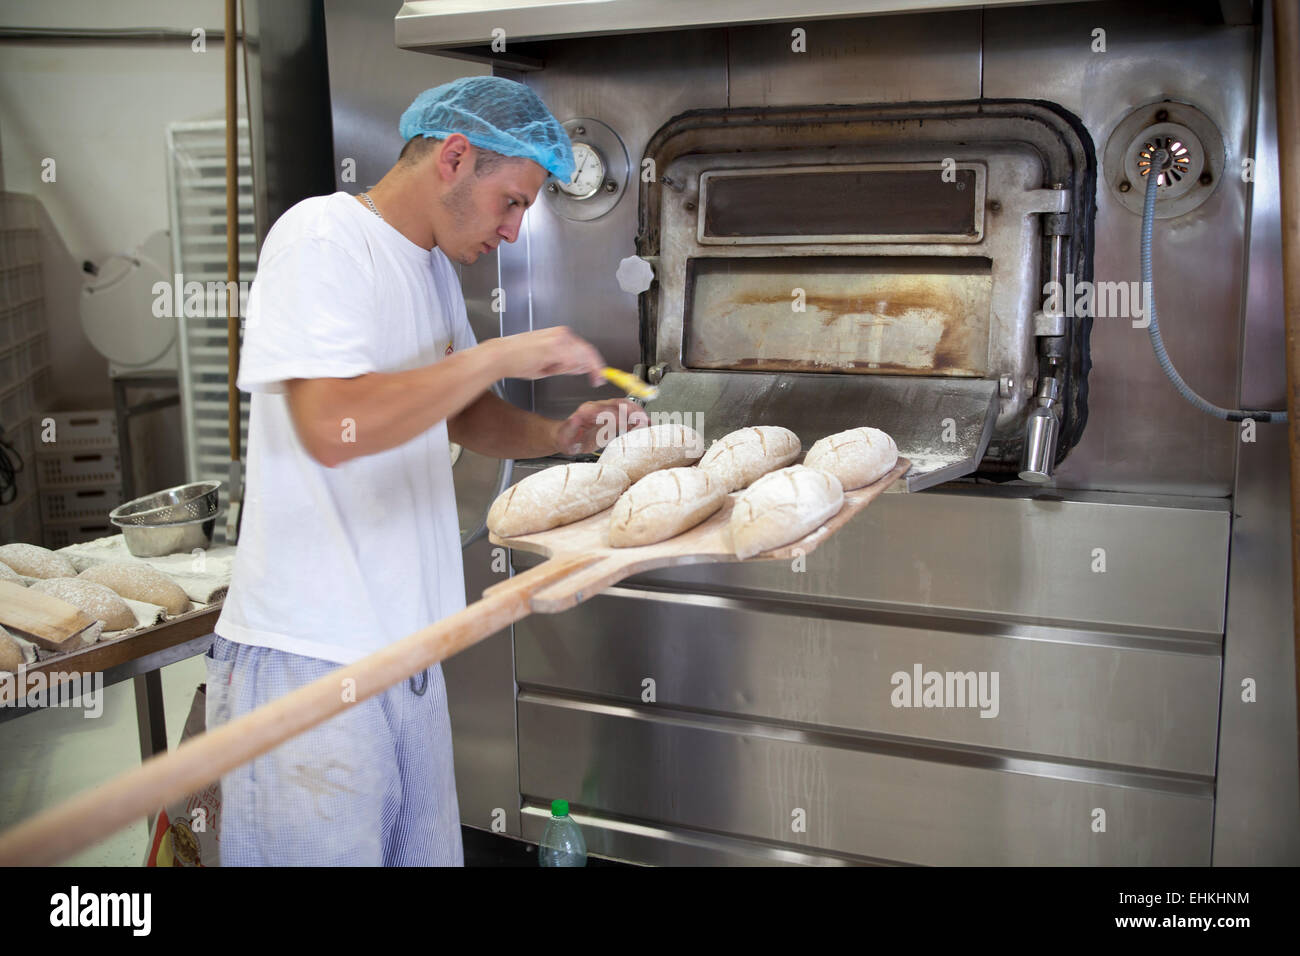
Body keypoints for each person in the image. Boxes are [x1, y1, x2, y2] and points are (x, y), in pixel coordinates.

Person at [208, 76, 647, 866]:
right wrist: (503, 352)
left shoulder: (433, 269)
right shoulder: (322, 240)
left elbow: (455, 411)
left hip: (406, 652)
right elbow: (333, 426)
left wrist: (562, 434)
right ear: (454, 158)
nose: (514, 231)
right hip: (311, 659)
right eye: (512, 201)